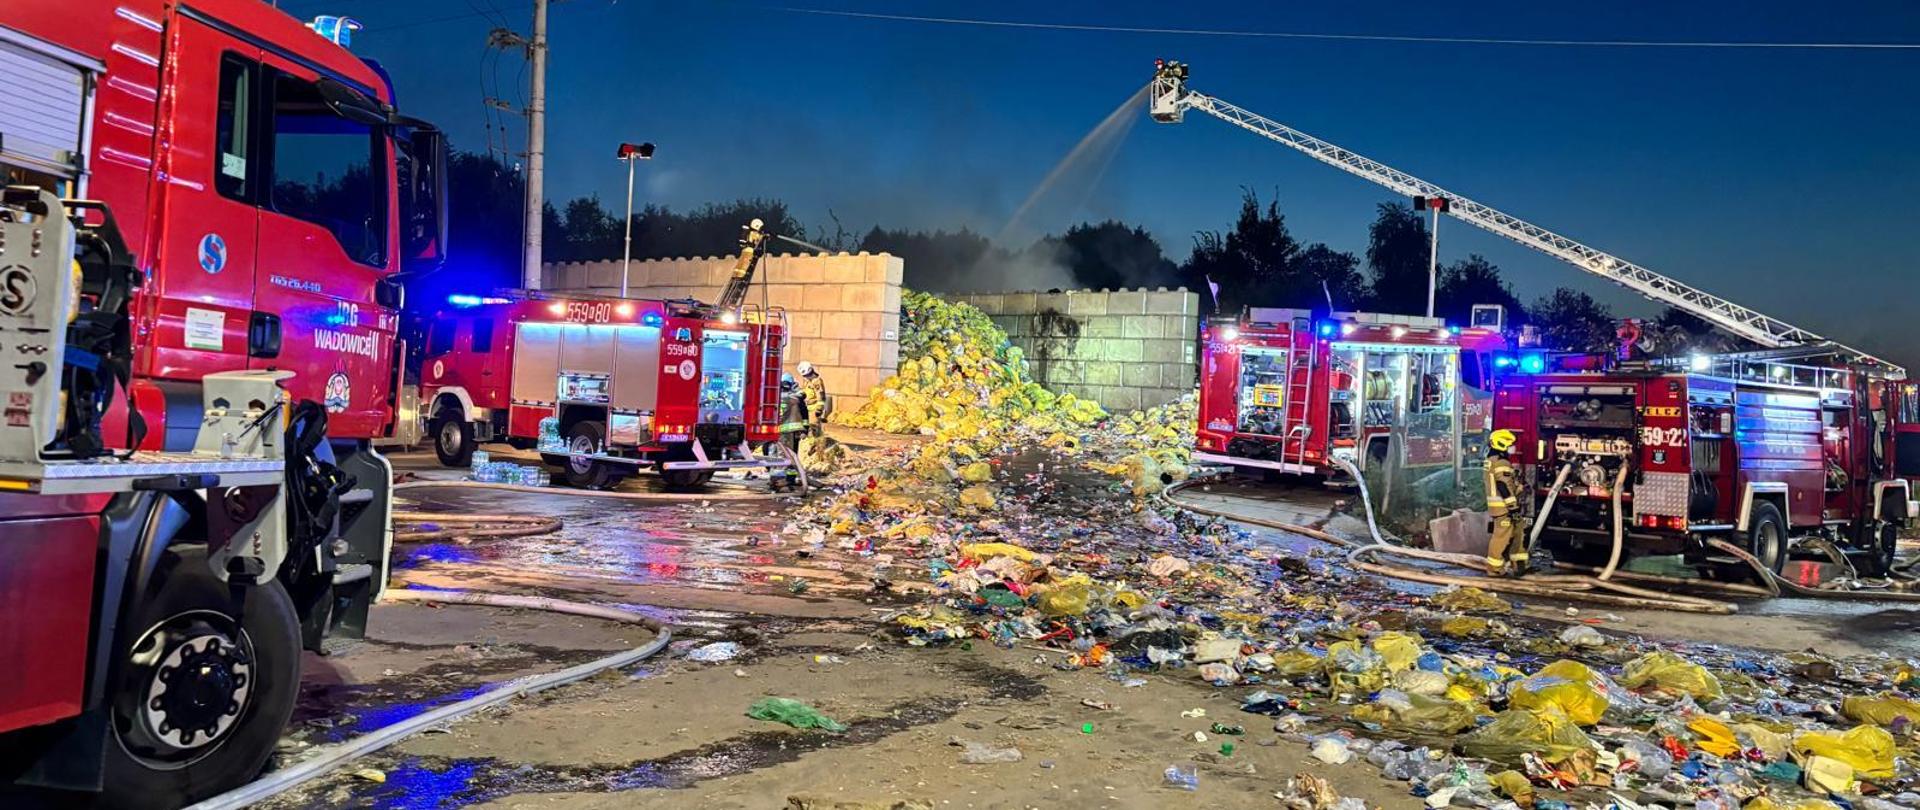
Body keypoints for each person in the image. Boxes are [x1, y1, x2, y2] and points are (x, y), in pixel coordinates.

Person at [1484, 428, 1527, 577]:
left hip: (1501, 507)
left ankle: (1519, 565)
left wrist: (1519, 487)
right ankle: (1494, 569)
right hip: (1503, 508)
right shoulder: (1501, 462)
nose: (1512, 448)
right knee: (1501, 537)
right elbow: (1503, 486)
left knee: (1519, 529)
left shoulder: (1492, 460)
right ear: (1502, 444)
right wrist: (1513, 508)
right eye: (1510, 445)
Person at [796, 361, 828, 439]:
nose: (805, 377)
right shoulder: (808, 381)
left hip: (814, 409)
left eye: (806, 375)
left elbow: (821, 396)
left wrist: (819, 409)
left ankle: (817, 445)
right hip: (808, 408)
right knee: (807, 427)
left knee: (814, 428)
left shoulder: (817, 381)